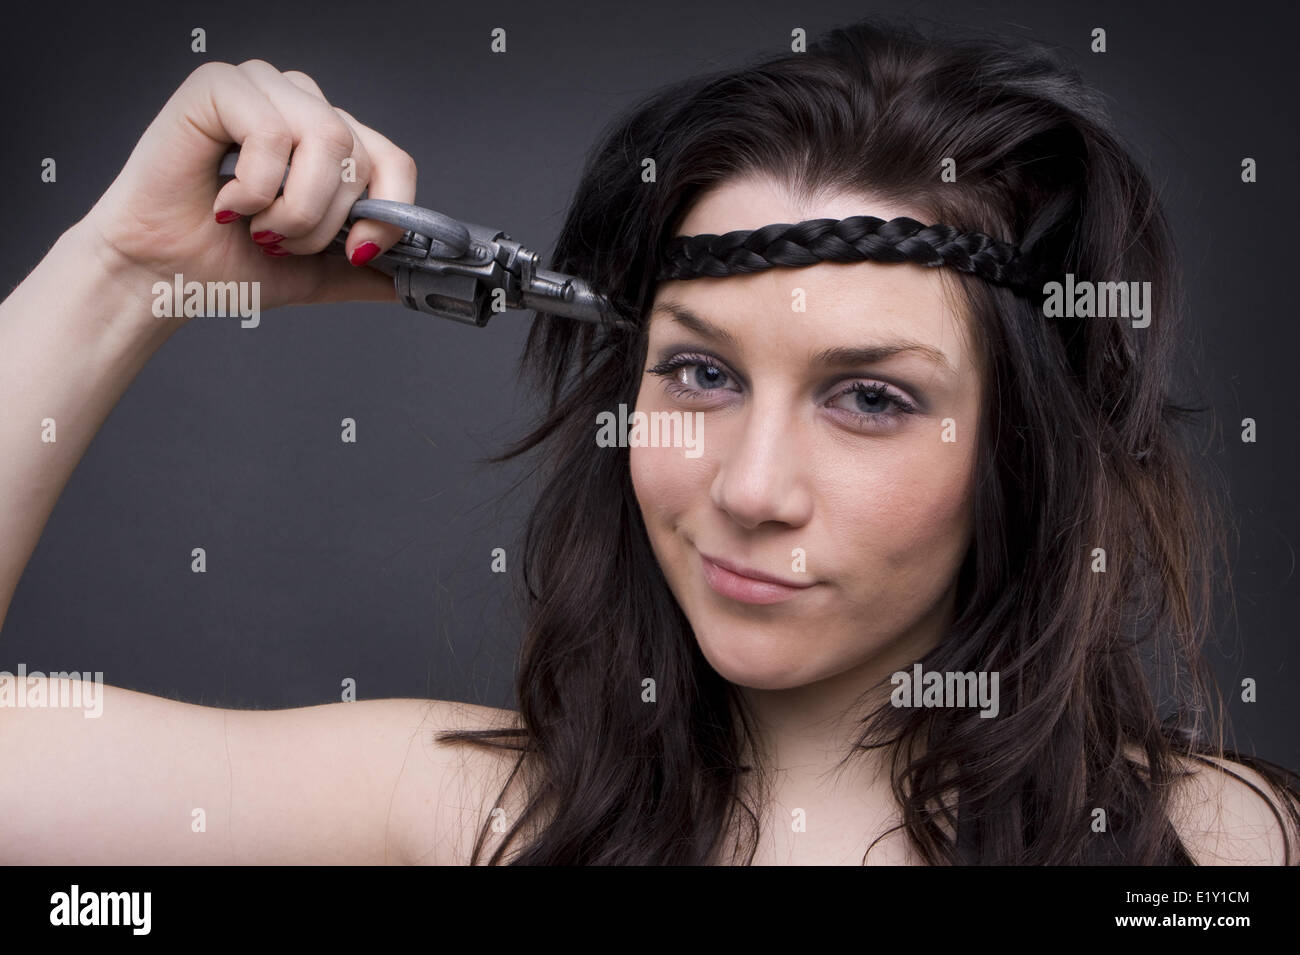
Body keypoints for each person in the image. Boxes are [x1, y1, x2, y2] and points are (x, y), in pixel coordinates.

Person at [1, 16, 1296, 866]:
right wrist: (125, 274)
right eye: (699, 372)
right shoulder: (476, 817)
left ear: (1033, 445)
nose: (750, 488)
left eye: (872, 398)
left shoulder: (1216, 851)